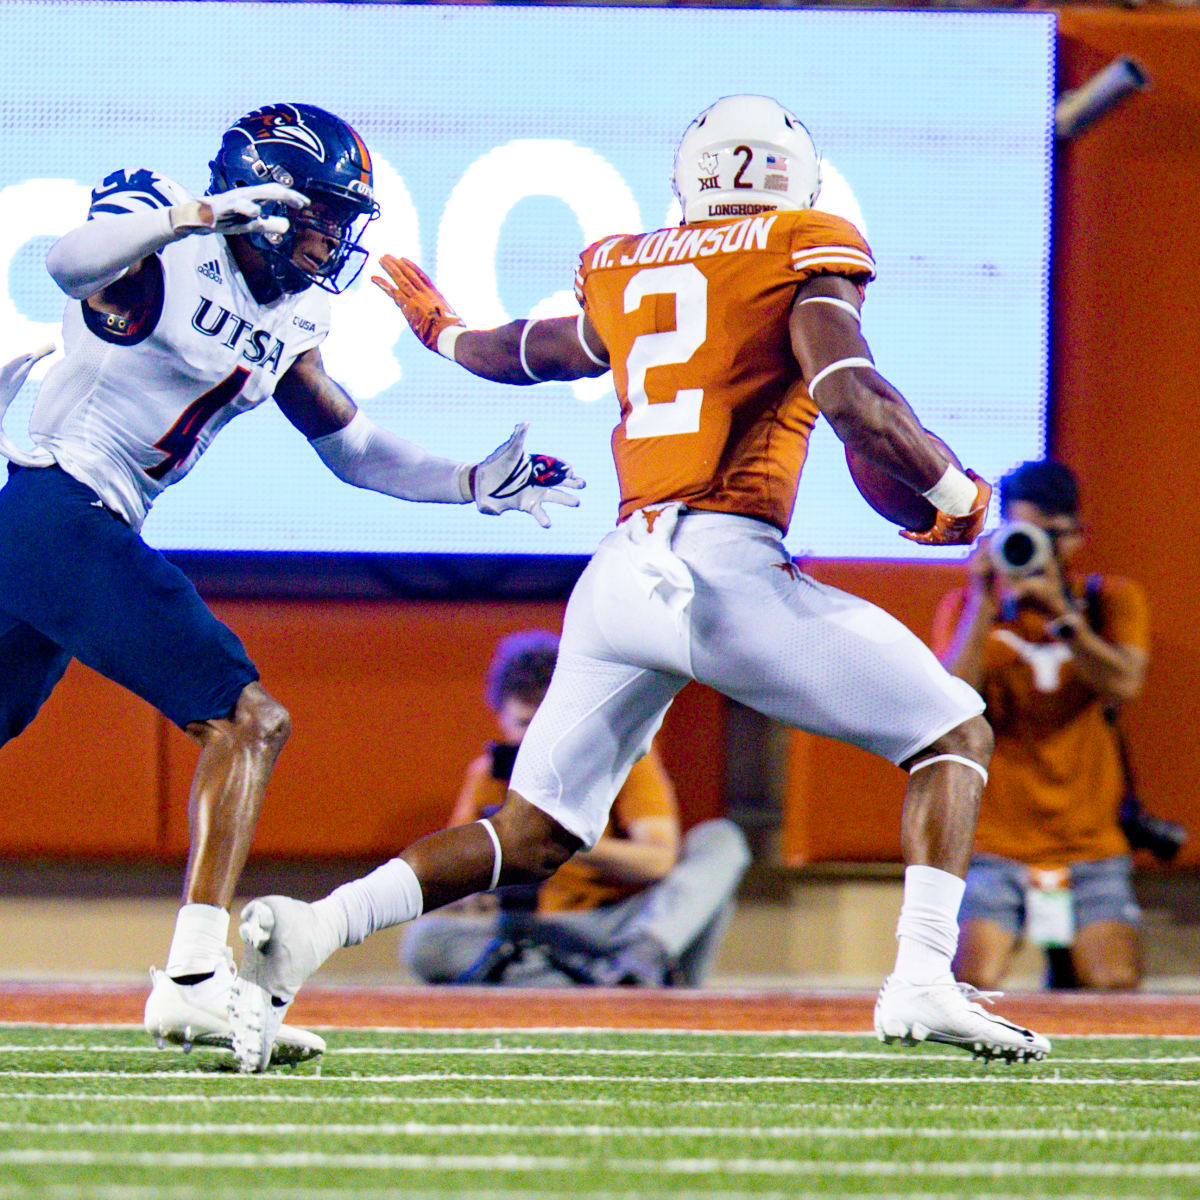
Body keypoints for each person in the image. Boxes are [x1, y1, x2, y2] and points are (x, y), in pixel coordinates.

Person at [229, 94, 1051, 1071]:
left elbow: (520, 354)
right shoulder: (803, 243)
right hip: (721, 564)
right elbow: (851, 396)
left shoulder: (628, 262)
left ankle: (311, 932)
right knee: (952, 729)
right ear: (798, 178)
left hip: (621, 574)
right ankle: (921, 978)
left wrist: (440, 331)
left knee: (530, 834)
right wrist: (955, 491)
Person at [0, 103, 582, 1064]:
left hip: (62, 530)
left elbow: (350, 449)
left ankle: (193, 977)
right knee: (247, 719)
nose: (332, 238)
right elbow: (67, 263)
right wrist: (191, 216)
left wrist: (470, 482)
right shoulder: (167, 238)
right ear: (266, 199)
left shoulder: (293, 313)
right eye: (320, 214)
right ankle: (191, 978)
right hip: (53, 501)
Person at [403, 630, 751, 987]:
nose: (536, 737)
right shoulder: (488, 774)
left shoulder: (624, 757)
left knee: (720, 840)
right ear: (501, 718)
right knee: (425, 943)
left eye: (547, 722)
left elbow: (658, 861)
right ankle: (612, 984)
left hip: (623, 922)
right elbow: (450, 888)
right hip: (536, 929)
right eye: (524, 723)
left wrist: (565, 842)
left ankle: (642, 957)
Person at [931, 460, 1150, 990]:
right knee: (974, 983)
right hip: (996, 841)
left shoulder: (1108, 601)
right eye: (1024, 535)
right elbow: (949, 705)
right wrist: (985, 601)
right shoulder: (967, 607)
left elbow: (1124, 684)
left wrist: (1062, 616)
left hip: (1089, 842)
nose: (1039, 550)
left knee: (1113, 984)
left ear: (1076, 537)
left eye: (1051, 536)